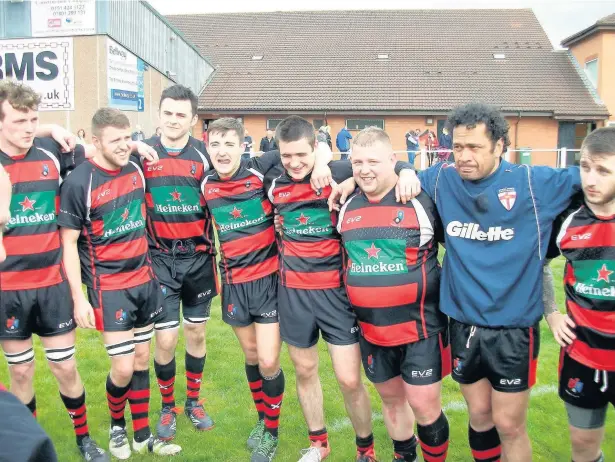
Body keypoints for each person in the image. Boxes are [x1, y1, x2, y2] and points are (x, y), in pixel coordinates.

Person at [330, 102, 582, 462]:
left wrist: (553, 307)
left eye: (475, 147)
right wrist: (388, 171)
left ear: (499, 147)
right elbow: (384, 171)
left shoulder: (533, 181)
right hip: (462, 324)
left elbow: (593, 177)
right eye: (458, 147)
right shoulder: (440, 179)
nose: (464, 156)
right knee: (479, 418)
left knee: (510, 426)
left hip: (513, 328)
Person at [267, 116, 417, 462]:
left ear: (314, 148)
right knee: (304, 371)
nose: (294, 162)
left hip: (336, 294)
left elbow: (383, 166)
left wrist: (408, 171)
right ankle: (318, 443)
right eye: (287, 156)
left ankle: (365, 448)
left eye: (302, 154)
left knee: (350, 380)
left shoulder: (336, 174)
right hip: (293, 294)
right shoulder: (273, 183)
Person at [59, 108, 181, 458]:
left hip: (144, 281)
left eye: (129, 138)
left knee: (142, 358)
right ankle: (117, 428)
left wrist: (138, 147)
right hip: (108, 288)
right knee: (123, 366)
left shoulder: (136, 170)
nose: (125, 146)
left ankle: (143, 436)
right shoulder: (79, 182)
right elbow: (68, 243)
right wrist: (79, 299)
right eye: (116, 140)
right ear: (95, 142)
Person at [0, 80, 109, 461]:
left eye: (34, 119)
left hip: (53, 285)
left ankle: (84, 440)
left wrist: (143, 146)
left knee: (65, 368)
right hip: (8, 289)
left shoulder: (51, 150)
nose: (28, 128)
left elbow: (104, 152)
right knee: (22, 373)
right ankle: (26, 445)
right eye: (18, 120)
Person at [335, 127, 450, 462]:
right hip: (372, 331)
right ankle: (405, 455)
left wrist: (408, 172)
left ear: (393, 161)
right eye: (357, 162)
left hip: (420, 330)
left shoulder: (420, 199)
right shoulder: (344, 204)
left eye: (373, 161)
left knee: (425, 406)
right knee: (392, 400)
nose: (364, 169)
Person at [140, 84, 219, 440]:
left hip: (199, 259)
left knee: (197, 332)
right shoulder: (140, 154)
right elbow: (96, 152)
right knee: (167, 339)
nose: (173, 120)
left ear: (192, 119)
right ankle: (167, 407)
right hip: (159, 259)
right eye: (168, 113)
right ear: (159, 114)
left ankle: (194, 402)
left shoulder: (205, 156)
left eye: (181, 115)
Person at [545, 126, 615, 462]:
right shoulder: (568, 218)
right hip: (582, 355)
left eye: (603, 171)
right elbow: (538, 264)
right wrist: (552, 312)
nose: (591, 179)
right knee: (584, 451)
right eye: (586, 167)